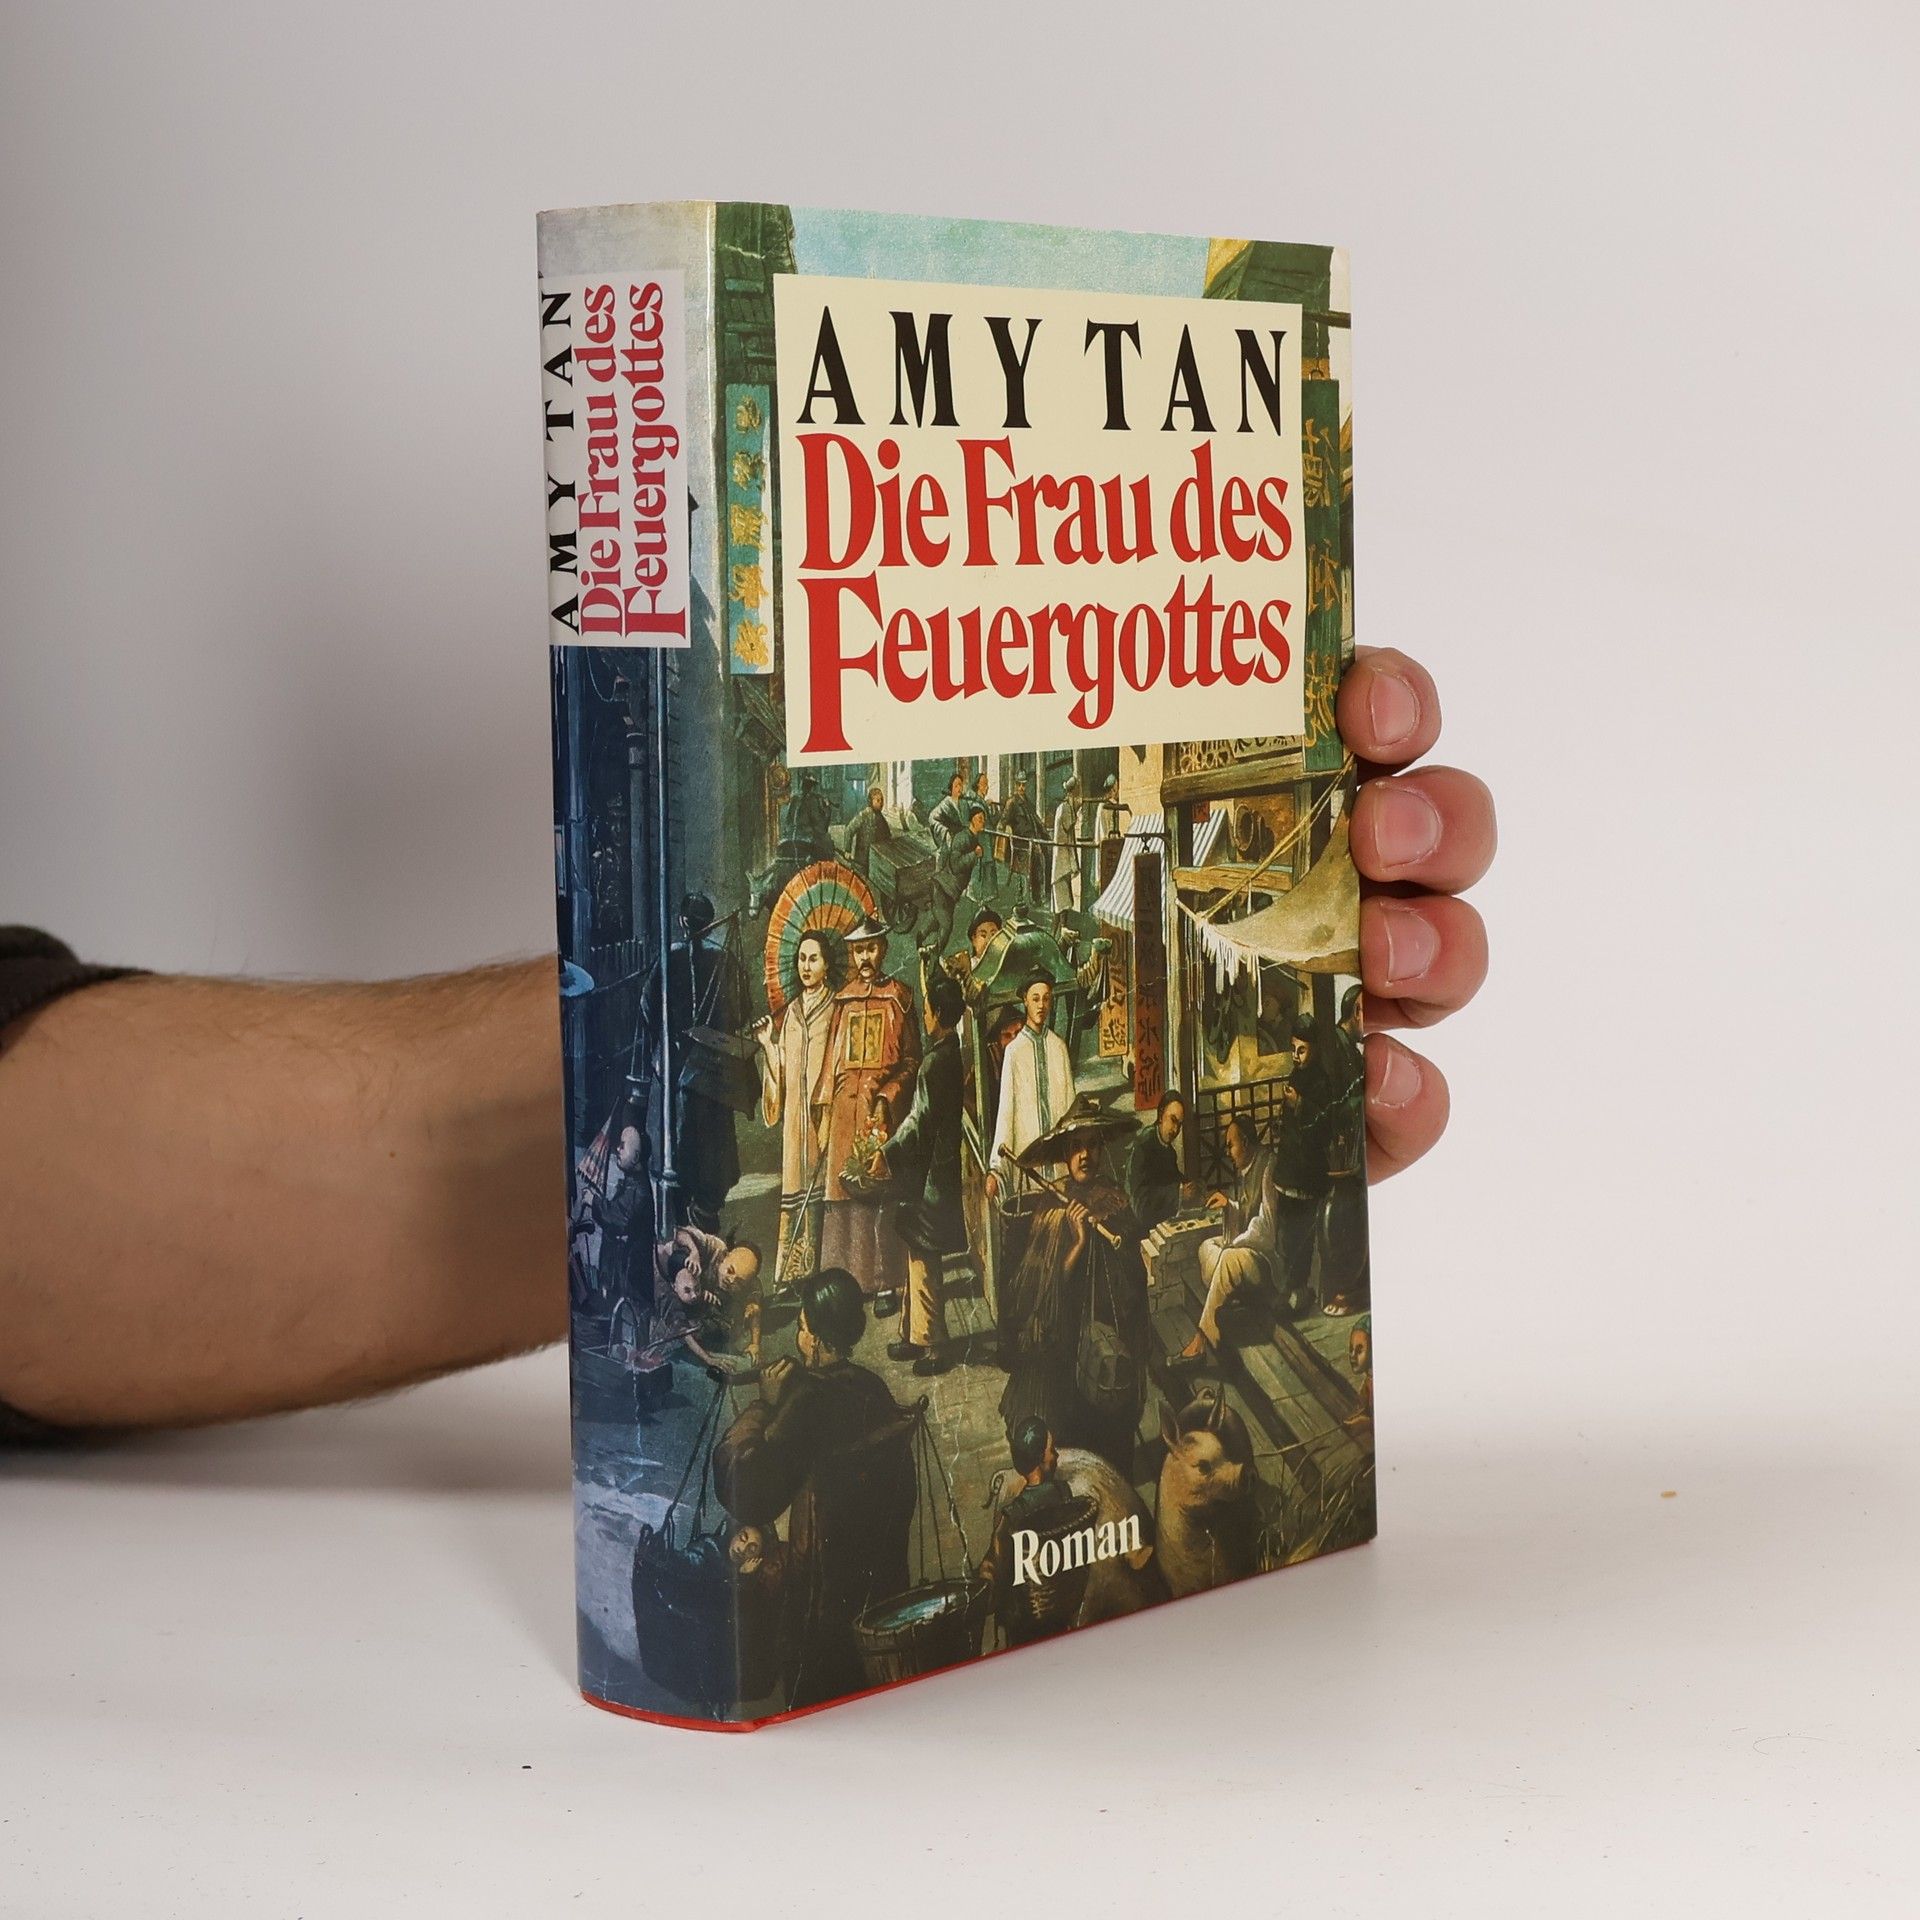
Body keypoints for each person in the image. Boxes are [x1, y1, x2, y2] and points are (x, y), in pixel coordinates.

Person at [0, 647, 1489, 1434]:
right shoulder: (852, 995)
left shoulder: (914, 1001)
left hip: (880, 1134)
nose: (854, 962)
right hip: (856, 1137)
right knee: (870, 1227)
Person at [712, 1270, 916, 1709]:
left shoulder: (807, 1400)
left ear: (818, 1340)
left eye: (802, 1328)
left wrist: (765, 1404)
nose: (799, 1338)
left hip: (822, 1605)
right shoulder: (872, 1386)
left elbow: (746, 1489)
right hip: (877, 1588)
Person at [996, 1120, 1149, 1474]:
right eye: (1076, 1147)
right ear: (1066, 1154)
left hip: (1107, 1346)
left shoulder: (1115, 1201)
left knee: (1112, 1451)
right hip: (1064, 1351)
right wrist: (1078, 1243)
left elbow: (1134, 1280)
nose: (1085, 1155)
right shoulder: (1052, 1207)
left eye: (1092, 1145)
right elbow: (1042, 1294)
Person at [816, 916, 920, 1312]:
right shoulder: (842, 1001)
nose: (865, 957)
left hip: (881, 1114)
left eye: (871, 948)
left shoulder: (899, 997)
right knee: (843, 1196)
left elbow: (911, 1061)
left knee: (880, 1197)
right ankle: (847, 1283)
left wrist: (887, 1097)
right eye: (858, 950)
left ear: (883, 950)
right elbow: (831, 1061)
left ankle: (886, 1283)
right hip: (845, 1111)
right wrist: (825, 1111)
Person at [867, 974, 967, 1374]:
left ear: (938, 1014)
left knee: (925, 1258)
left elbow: (918, 1121)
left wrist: (886, 1153)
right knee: (918, 1253)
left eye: (927, 1011)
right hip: (936, 1170)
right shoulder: (951, 1054)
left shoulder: (935, 1063)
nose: (924, 1017)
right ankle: (913, 1335)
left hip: (931, 1176)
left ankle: (934, 1346)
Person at [638, 892, 747, 1232]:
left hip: (679, 1064)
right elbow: (742, 1011)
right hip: (710, 1068)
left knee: (680, 1138)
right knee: (710, 1141)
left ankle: (684, 1220)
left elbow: (647, 1007)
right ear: (709, 923)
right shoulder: (724, 959)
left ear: (682, 921)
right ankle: (705, 1214)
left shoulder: (668, 958)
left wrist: (668, 1038)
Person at [753, 928, 838, 1290]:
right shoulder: (791, 1012)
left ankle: (822, 1272)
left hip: (822, 1112)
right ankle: (792, 1273)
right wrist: (767, 1044)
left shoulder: (836, 1008)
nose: (806, 966)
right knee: (795, 1188)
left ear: (827, 964)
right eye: (802, 959)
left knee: (823, 1187)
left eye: (813, 958)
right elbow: (783, 1068)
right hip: (794, 1120)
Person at [1177, 1110, 1278, 1362]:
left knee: (1227, 1259)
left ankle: (1202, 1339)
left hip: (1269, 1259)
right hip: (1249, 1250)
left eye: (1231, 1145)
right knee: (1206, 1247)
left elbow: (1266, 1227)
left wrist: (1233, 1245)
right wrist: (1228, 1205)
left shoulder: (1268, 1166)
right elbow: (1245, 1210)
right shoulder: (1246, 1169)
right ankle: (1227, 1297)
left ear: (1245, 1142)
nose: (1228, 1152)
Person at [977, 1416, 1073, 1645]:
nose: (1056, 1455)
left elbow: (996, 1565)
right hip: (1061, 1610)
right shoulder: (1064, 1494)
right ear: (1040, 1459)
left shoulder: (1012, 1515)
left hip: (1025, 1620)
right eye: (1051, 1450)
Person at [985, 974, 1076, 1199]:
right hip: (1028, 1166)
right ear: (1025, 1000)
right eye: (1035, 999)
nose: (1041, 1005)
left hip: (1060, 1163)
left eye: (1046, 999)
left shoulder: (1059, 1047)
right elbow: (1006, 1114)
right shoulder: (1014, 1052)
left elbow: (1071, 1111)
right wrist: (995, 1169)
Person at [583, 1122, 653, 1311]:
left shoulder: (639, 1191)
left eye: (623, 1146)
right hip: (623, 1271)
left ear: (636, 1157)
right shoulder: (632, 1184)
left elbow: (618, 1218)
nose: (617, 1149)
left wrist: (594, 1201)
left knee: (631, 1313)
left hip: (633, 1276)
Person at [1126, 1092, 1189, 1234]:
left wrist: (1191, 1186)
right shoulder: (1143, 1146)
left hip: (1161, 1225)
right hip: (1140, 1230)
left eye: (1179, 1124)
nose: (1176, 1130)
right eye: (1173, 1120)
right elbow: (1141, 1206)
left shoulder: (1169, 1150)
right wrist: (1179, 1192)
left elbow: (1173, 1178)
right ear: (1160, 1116)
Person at [1000, 774, 1044, 900]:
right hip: (1020, 844)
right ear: (1015, 785)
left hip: (1032, 841)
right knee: (1036, 859)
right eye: (1019, 784)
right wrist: (1007, 830)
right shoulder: (1012, 803)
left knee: (1045, 854)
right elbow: (1003, 822)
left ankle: (1040, 895)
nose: (1021, 787)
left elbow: (1036, 821)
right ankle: (1034, 897)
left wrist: (1045, 837)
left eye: (1023, 785)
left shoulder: (1028, 803)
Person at [1049, 774, 1083, 912]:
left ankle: (1061, 922)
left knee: (1064, 893)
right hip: (1062, 855)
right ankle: (1061, 923)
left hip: (1063, 854)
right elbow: (1069, 825)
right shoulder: (1065, 808)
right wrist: (1077, 809)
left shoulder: (1064, 806)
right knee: (1062, 894)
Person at [844, 784, 892, 881]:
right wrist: (847, 850)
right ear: (870, 801)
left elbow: (888, 836)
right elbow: (849, 829)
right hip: (863, 859)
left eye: (882, 800)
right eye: (878, 800)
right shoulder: (864, 815)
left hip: (876, 860)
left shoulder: (881, 818)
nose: (881, 803)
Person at [928, 769, 971, 847]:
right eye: (956, 786)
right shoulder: (946, 803)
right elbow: (932, 818)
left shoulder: (964, 803)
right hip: (951, 840)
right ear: (951, 787)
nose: (959, 788)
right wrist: (944, 832)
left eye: (961, 785)